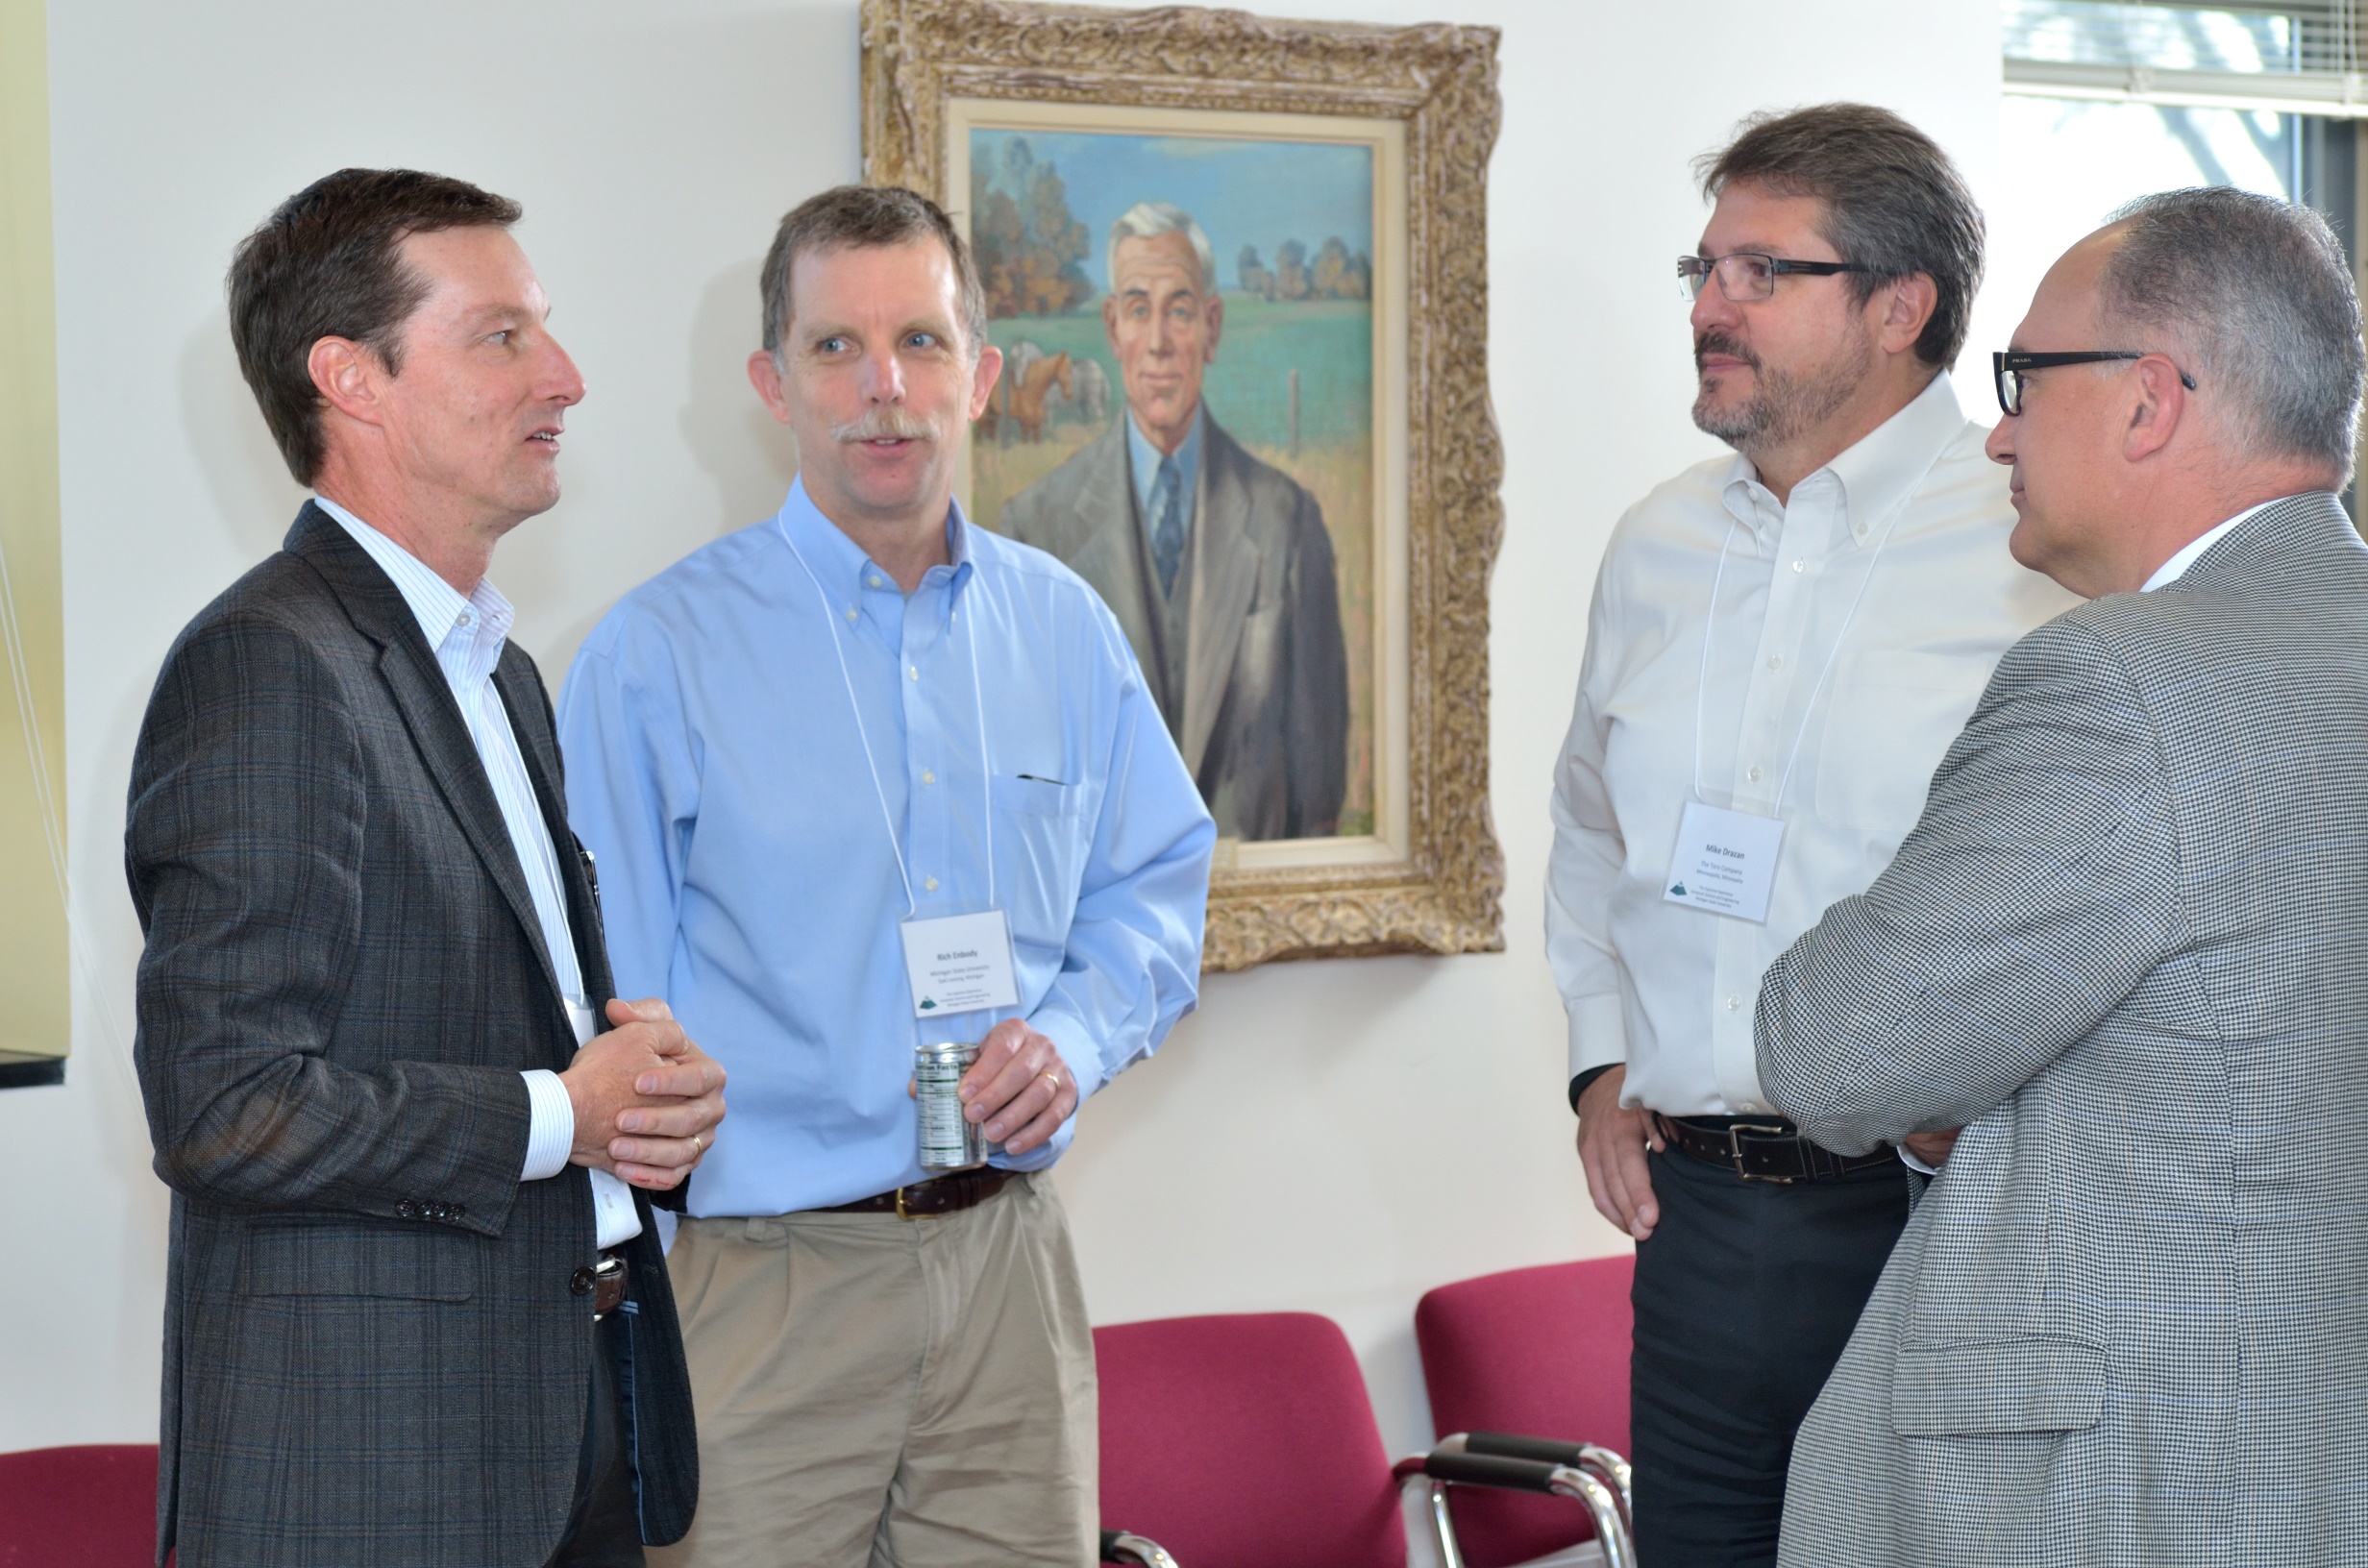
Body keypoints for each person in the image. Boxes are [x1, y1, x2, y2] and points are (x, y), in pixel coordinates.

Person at [557, 184, 1215, 1568]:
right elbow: (609, 1006)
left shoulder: (1064, 628)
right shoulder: (654, 658)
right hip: (762, 1290)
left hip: (1008, 1274)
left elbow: (1156, 885)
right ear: (771, 384)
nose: (884, 389)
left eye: (920, 341)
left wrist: (1077, 1037)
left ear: (981, 373)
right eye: (835, 348)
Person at [1758, 187, 2368, 1564]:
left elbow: (1835, 1050)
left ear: (2149, 401)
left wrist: (1970, 1073)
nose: (1999, 431)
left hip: (2125, 1486)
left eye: (2025, 379)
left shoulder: (2118, 682)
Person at [128, 168, 727, 1567]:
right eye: (502, 336)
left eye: (544, 329)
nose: (565, 375)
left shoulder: (500, 673)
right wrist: (560, 1112)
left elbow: (491, 1027)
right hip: (374, 1473)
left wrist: (639, 1105)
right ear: (354, 381)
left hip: (576, 1419)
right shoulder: (268, 665)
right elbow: (222, 1105)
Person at [1544, 105, 2077, 1565]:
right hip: (1699, 1228)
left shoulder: (2032, 541)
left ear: (1899, 307)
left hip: (1933, 1220)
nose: (1709, 309)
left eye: (1762, 273)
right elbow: (1588, 829)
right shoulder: (1655, 544)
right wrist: (1598, 1061)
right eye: (1703, 270)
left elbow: (2103, 888)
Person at [999, 200, 1349, 840]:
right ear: (1113, 329)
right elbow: (1018, 795)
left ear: (1211, 328)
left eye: (1180, 311)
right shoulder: (1033, 530)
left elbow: (1320, 795)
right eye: (1139, 310)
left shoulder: (1288, 523)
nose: (1158, 342)